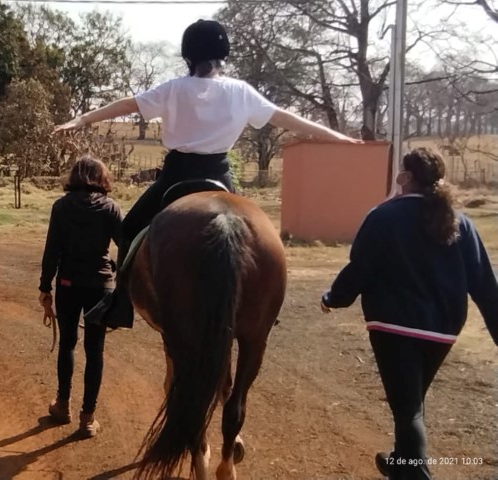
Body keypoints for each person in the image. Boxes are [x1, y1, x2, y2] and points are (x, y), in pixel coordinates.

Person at [53, 19, 362, 330]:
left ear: (188, 56)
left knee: (130, 228)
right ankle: (259, 302)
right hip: (220, 175)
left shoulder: (173, 88)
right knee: (251, 234)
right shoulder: (241, 91)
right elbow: (286, 117)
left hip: (176, 175)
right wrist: (334, 136)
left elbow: (126, 105)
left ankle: (120, 304)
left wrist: (82, 119)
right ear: (223, 56)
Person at [320, 148, 498, 480]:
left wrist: (334, 298)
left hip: (393, 327)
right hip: (442, 331)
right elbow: (485, 285)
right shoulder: (461, 222)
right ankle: (400, 464)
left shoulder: (383, 216)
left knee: (408, 410)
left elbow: (360, 268)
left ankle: (414, 472)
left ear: (405, 177)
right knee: (410, 403)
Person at [38, 156, 122, 438]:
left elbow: (52, 249)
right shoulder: (110, 207)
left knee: (68, 344)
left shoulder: (61, 207)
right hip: (101, 285)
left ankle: (62, 406)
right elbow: (125, 245)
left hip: (68, 283)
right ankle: (88, 418)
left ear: (74, 177)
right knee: (95, 350)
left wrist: (45, 287)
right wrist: (120, 280)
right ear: (101, 177)